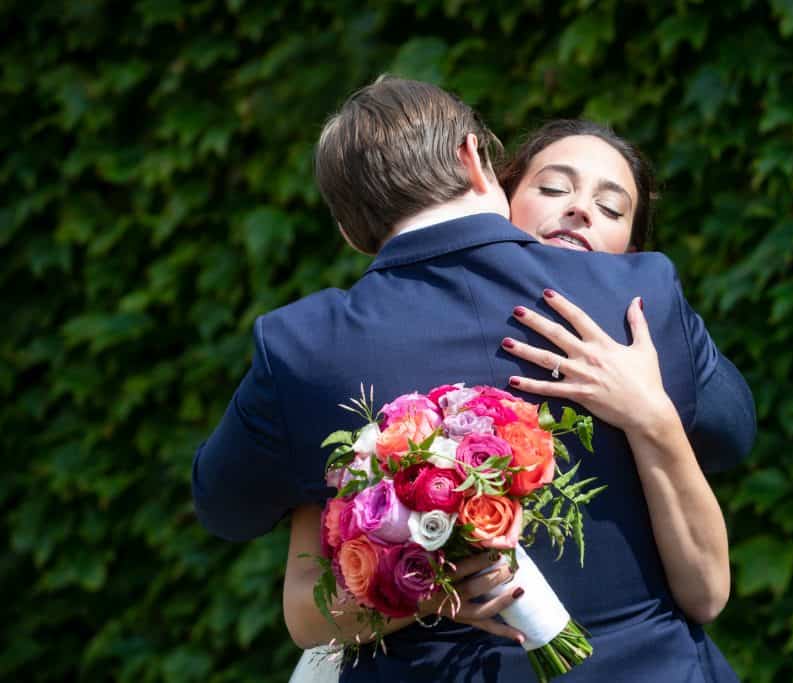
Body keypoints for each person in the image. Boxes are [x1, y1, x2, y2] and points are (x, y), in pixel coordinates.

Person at [192, 77, 755, 682]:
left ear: (350, 232)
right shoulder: (636, 294)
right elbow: (730, 430)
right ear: (474, 157)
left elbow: (225, 508)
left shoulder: (300, 345)